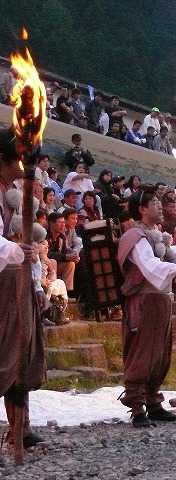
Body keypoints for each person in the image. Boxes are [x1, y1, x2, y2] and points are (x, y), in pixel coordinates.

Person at [117, 189, 176, 427]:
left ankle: (153, 401)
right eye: (155, 203)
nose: (160, 207)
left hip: (160, 299)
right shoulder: (135, 237)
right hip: (144, 301)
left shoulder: (156, 234)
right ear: (142, 209)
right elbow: (150, 267)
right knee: (143, 353)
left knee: (160, 354)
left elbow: (174, 255)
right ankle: (137, 406)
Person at [0, 128, 46, 449]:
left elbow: (28, 244)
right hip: (2, 284)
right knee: (5, 354)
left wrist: (37, 283)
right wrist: (18, 252)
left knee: (23, 352)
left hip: (19, 283)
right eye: (17, 155)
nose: (23, 162)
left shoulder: (15, 195)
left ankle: (19, 426)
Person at [47, 211, 78, 292]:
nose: (63, 225)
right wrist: (65, 257)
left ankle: (66, 292)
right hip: (46, 266)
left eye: (64, 222)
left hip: (57, 264)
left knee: (71, 264)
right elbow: (47, 254)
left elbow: (65, 251)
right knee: (52, 261)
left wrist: (73, 256)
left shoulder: (61, 237)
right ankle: (54, 293)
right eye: (60, 222)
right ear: (51, 224)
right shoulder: (45, 235)